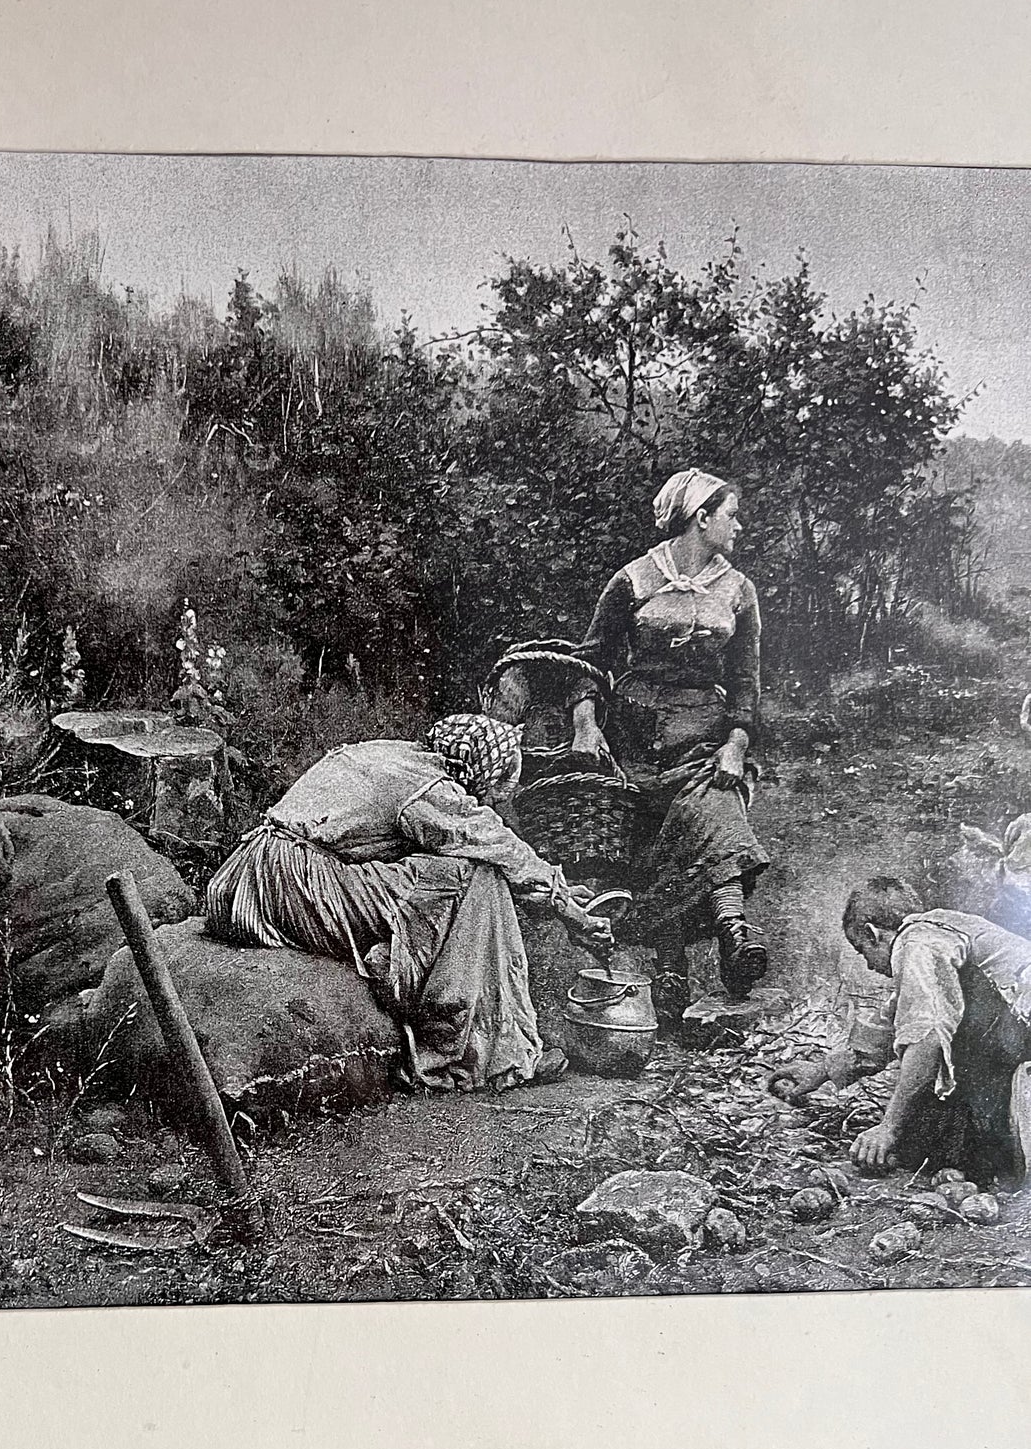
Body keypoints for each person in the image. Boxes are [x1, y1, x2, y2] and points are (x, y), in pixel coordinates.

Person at [205, 712, 613, 1092]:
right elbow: (496, 844)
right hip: (292, 884)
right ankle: (475, 1046)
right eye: (506, 782)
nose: (508, 793)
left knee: (447, 871)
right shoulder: (428, 787)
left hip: (243, 878)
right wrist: (562, 900)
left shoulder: (393, 753)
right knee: (478, 874)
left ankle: (403, 965)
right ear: (481, 770)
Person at [567, 468, 770, 1016]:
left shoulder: (739, 590)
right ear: (701, 518)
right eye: (731, 515)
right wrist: (587, 725)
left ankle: (733, 932)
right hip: (633, 735)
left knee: (715, 805)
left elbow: (747, 681)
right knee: (652, 842)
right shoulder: (632, 580)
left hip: (701, 734)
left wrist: (736, 743)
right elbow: (590, 664)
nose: (739, 526)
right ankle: (670, 972)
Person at [774, 875, 1031, 1186]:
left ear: (873, 933)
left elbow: (927, 1037)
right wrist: (823, 1070)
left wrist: (889, 1127)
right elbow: (894, 1026)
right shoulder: (934, 933)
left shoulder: (916, 943)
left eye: (862, 950)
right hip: (1016, 1033)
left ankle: (994, 1157)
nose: (868, 965)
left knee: (929, 1088)